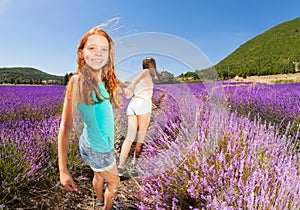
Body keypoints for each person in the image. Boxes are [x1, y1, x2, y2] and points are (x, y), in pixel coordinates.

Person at [58, 27, 120, 210]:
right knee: (115, 183)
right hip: (98, 149)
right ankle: (107, 207)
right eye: (92, 48)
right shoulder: (77, 81)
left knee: (99, 176)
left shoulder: (102, 82)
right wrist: (63, 170)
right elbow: (65, 126)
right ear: (81, 52)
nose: (98, 54)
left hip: (92, 142)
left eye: (104, 49)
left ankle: (100, 200)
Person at [118, 57, 160, 176]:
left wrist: (148, 101)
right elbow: (135, 84)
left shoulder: (147, 76)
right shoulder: (146, 73)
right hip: (143, 107)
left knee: (129, 138)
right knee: (140, 139)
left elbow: (135, 92)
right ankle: (134, 164)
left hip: (134, 104)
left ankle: (120, 167)